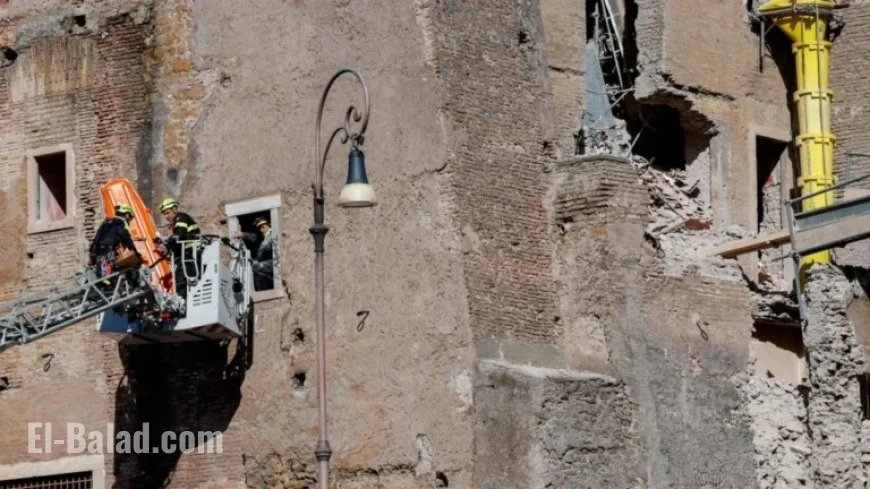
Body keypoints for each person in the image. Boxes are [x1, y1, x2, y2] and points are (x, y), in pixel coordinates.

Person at [156, 197, 202, 299]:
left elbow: (180, 235)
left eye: (167, 213)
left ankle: (184, 305)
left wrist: (166, 244)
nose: (166, 216)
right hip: (188, 255)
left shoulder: (181, 218)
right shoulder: (176, 222)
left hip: (192, 255)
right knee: (181, 282)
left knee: (182, 282)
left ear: (175, 210)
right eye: (164, 214)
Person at [89, 204, 142, 283]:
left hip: (97, 255)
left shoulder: (105, 224)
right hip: (107, 256)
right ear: (127, 215)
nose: (129, 222)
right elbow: (129, 243)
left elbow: (95, 241)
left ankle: (107, 283)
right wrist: (137, 255)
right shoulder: (120, 227)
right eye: (130, 219)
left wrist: (92, 255)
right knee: (129, 268)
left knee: (105, 278)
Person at [236, 217, 277, 291]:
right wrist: (243, 234)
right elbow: (255, 237)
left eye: (263, 227)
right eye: (260, 228)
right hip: (271, 264)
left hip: (276, 263)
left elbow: (264, 247)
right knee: (258, 269)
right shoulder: (264, 236)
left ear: (269, 225)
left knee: (256, 267)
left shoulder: (271, 234)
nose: (261, 230)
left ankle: (262, 293)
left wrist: (257, 260)